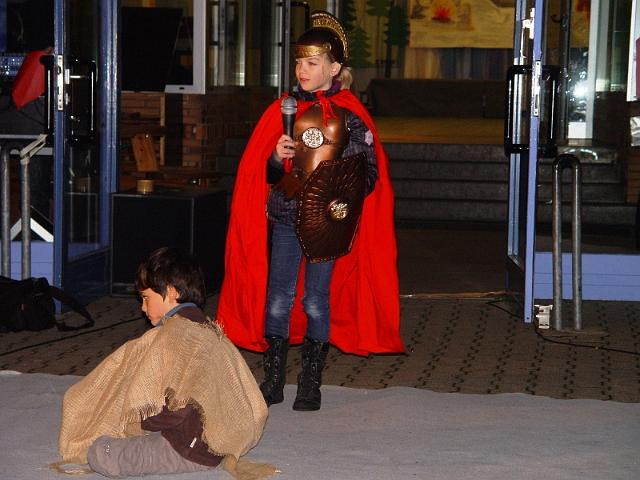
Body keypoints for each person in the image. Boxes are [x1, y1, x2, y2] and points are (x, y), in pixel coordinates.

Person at [216, 11, 404, 412]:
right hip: (286, 219)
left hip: (327, 226)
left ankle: (310, 382)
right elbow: (265, 177)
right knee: (277, 299)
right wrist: (275, 157)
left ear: (334, 68)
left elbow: (368, 175)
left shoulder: (350, 115)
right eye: (299, 62)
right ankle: (272, 380)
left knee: (316, 300)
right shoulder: (282, 110)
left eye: (312, 62)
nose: (302, 70)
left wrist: (338, 190)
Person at [55, 247, 275, 479]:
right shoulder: (206, 328)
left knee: (101, 452)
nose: (142, 308)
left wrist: (143, 421)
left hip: (185, 447)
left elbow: (179, 406)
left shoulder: (179, 335)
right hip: (211, 442)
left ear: (171, 292)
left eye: (146, 298)